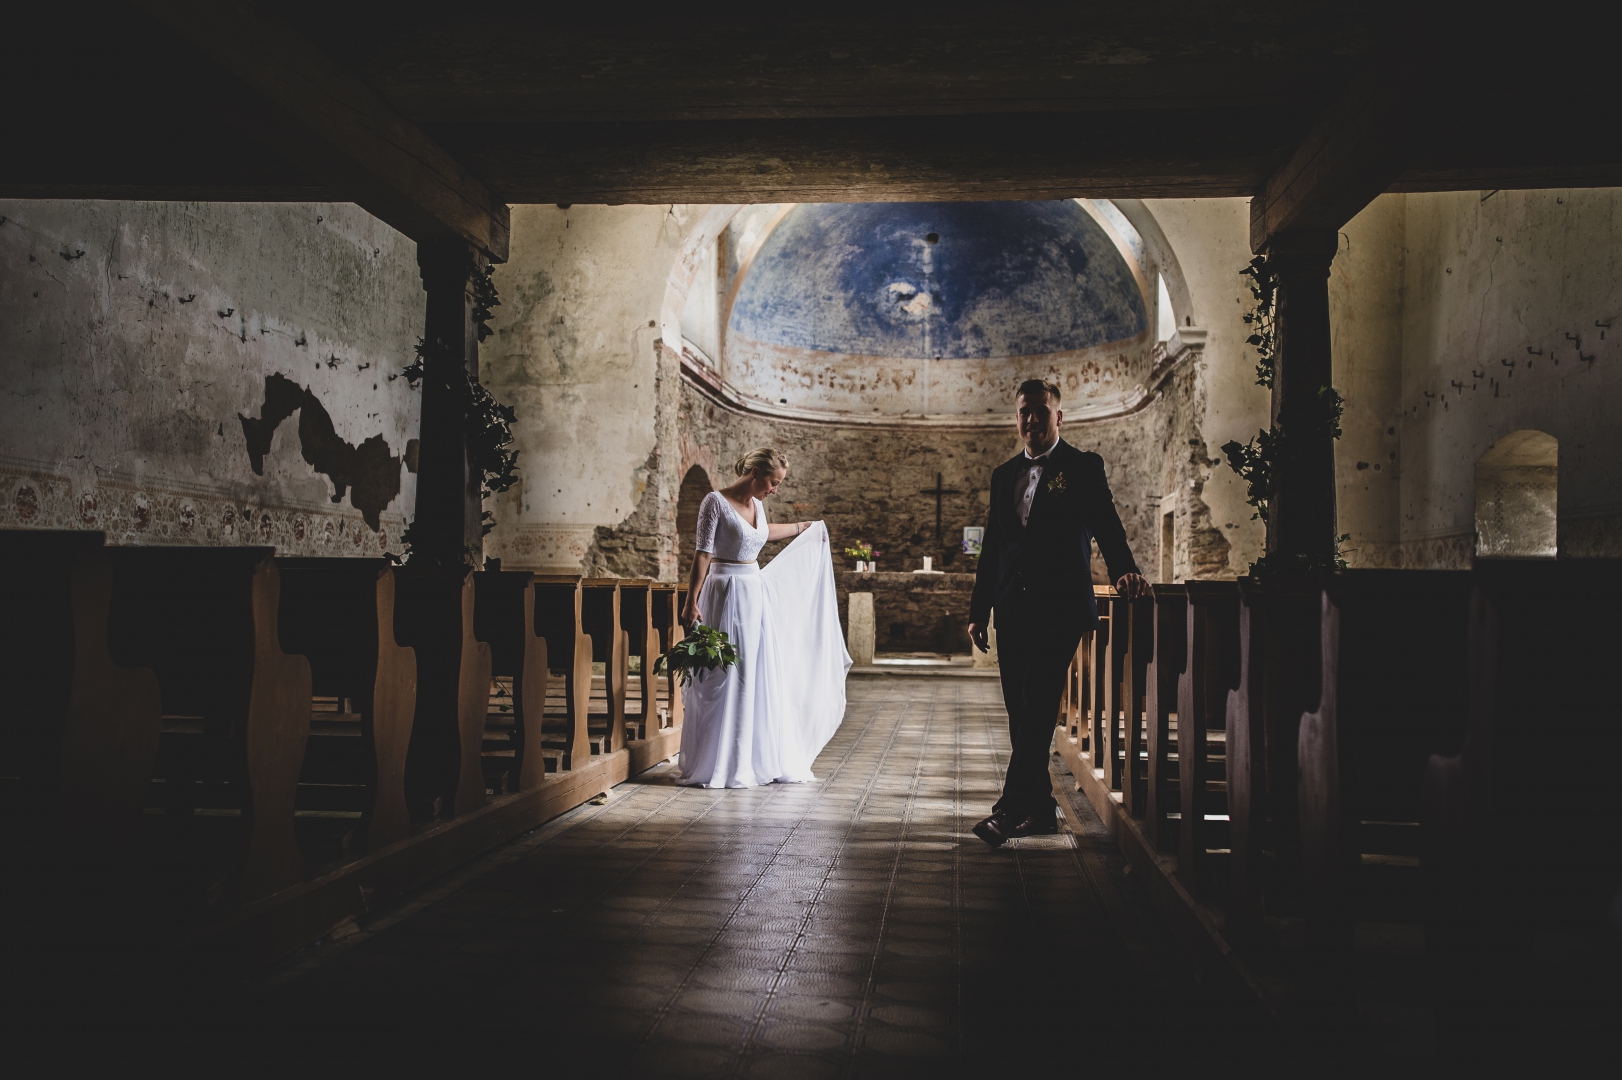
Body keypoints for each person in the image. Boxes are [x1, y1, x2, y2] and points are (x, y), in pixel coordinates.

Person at [967, 379, 1149, 846]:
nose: (1031, 419)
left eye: (1041, 411)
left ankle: (1009, 810)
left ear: (1059, 417)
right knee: (1019, 710)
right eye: (1024, 412)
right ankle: (1042, 809)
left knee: (1037, 704)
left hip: (1060, 607)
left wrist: (1125, 570)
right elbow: (994, 547)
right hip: (1012, 607)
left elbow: (1107, 524)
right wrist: (979, 609)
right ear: (1017, 417)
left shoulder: (1082, 467)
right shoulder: (1004, 474)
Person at [676, 448, 852, 788]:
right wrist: (690, 601)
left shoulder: (757, 504)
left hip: (753, 593)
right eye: (773, 482)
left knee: (753, 673)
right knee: (724, 672)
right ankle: (721, 760)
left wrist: (804, 527)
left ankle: (753, 757)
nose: (775, 490)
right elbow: (703, 553)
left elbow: (760, 533)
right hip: (724, 591)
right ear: (755, 472)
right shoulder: (714, 502)